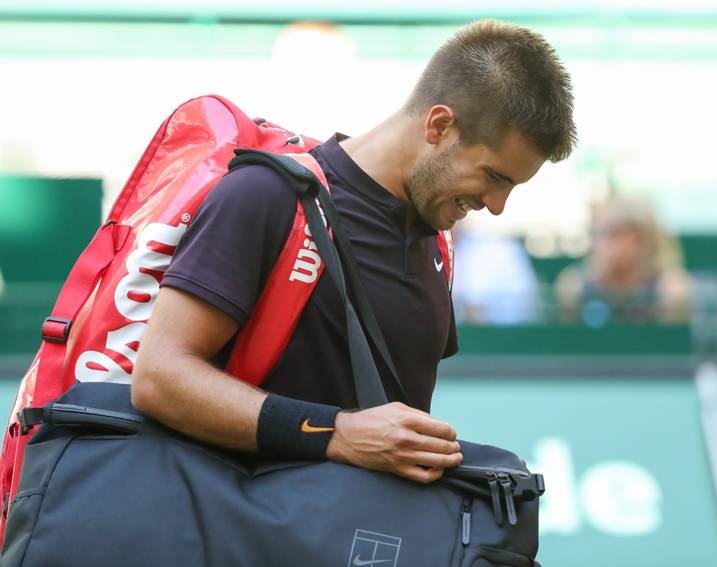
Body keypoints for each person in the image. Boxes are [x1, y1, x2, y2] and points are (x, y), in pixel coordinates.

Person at [132, 20, 576, 485]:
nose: (497, 206)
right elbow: (160, 376)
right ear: (439, 125)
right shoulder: (267, 195)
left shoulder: (438, 243)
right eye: (494, 176)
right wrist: (334, 433)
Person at [554, 196, 690, 326]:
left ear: (639, 240)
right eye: (595, 232)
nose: (599, 243)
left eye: (609, 232)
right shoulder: (575, 286)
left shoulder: (670, 291)